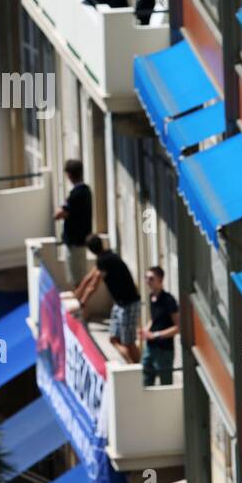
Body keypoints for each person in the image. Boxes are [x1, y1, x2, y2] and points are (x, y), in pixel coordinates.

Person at [74, 235, 140, 363]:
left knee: (129, 342)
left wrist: (82, 301)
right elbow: (90, 277)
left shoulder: (105, 260)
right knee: (113, 339)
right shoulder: (106, 257)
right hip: (120, 304)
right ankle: (133, 365)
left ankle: (137, 370)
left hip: (128, 304)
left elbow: (93, 285)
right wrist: (76, 294)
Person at [53, 159, 93, 285]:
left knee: (77, 279)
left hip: (75, 242)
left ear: (69, 175)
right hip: (80, 240)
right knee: (79, 276)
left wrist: (60, 209)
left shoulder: (77, 194)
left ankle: (80, 302)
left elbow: (59, 214)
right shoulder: (85, 191)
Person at [139, 267, 179, 386]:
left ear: (160, 280)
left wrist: (155, 335)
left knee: (165, 383)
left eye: (151, 279)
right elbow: (154, 318)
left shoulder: (169, 300)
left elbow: (177, 327)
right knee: (146, 379)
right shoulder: (151, 297)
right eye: (146, 278)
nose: (148, 281)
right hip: (150, 347)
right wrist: (146, 330)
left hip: (164, 350)